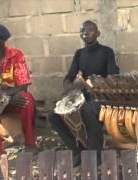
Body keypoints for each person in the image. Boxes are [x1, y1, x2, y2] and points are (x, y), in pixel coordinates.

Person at [48, 20, 119, 166]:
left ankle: (95, 154)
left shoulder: (107, 52)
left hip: (102, 96)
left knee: (88, 110)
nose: (85, 33)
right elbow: (68, 78)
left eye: (90, 30)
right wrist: (72, 86)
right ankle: (77, 150)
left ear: (98, 33)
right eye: (82, 30)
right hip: (83, 95)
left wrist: (96, 83)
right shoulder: (79, 54)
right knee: (53, 116)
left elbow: (113, 77)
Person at [0, 23, 36, 155]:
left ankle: (30, 144)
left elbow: (23, 85)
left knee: (27, 99)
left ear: (1, 41)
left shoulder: (16, 55)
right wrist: (5, 99)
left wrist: (7, 99)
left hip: (10, 100)